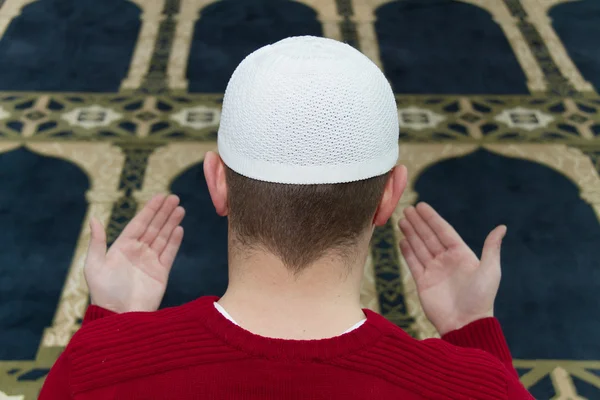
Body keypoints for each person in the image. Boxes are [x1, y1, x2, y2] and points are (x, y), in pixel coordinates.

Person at [40, 36, 533, 399]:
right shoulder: (475, 388)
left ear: (217, 183)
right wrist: (473, 328)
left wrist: (112, 331)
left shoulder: (92, 372)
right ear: (389, 197)